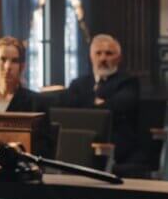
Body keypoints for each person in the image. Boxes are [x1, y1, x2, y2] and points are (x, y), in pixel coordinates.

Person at [60, 34, 141, 163]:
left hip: (115, 142)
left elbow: (119, 106)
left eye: (109, 54)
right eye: (98, 53)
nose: (103, 58)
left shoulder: (128, 82)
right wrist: (99, 103)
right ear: (91, 57)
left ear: (118, 58)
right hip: (81, 138)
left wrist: (87, 104)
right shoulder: (78, 83)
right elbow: (68, 107)